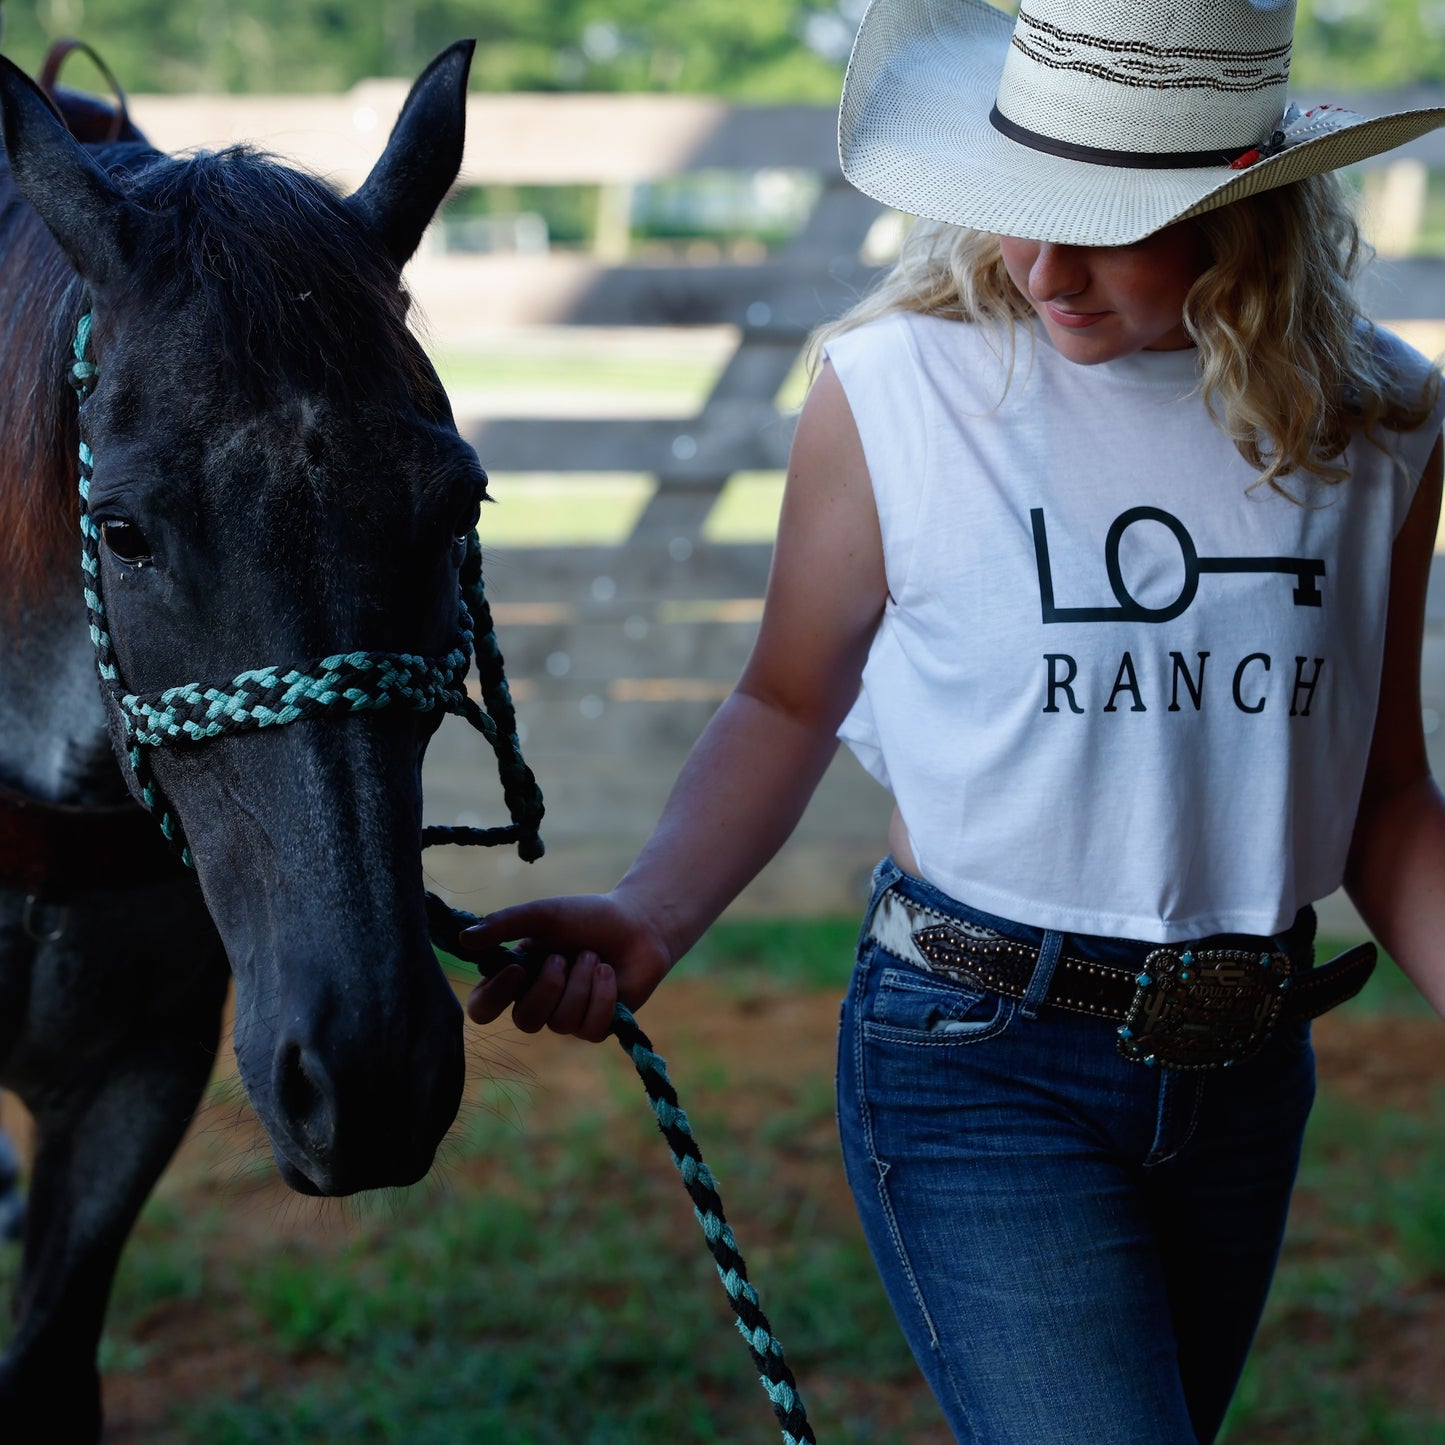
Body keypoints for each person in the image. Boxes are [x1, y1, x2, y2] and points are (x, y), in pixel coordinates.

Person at [459, 1, 1445, 1439]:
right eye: (1013, 205)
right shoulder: (897, 388)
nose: (1037, 264)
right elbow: (787, 699)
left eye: (1103, 222)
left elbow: (1382, 797)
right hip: (976, 1055)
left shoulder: (1382, 423)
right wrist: (653, 910)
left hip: (1244, 1076)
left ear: (1243, 210)